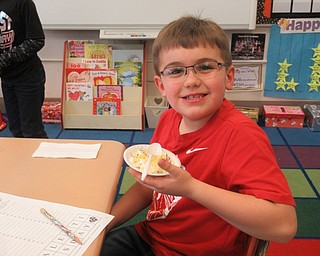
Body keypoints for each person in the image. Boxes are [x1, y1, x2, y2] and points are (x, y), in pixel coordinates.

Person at [101, 16, 297, 256]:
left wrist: (191, 188)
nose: (191, 81)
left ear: (229, 76)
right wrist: (105, 223)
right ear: (161, 85)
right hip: (153, 237)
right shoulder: (167, 119)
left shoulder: (241, 135)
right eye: (175, 71)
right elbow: (149, 186)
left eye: (205, 67)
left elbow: (284, 226)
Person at [0, 0, 47, 138]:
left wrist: (5, 59)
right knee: (16, 130)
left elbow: (36, 40)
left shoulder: (23, 3)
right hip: (7, 78)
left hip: (28, 76)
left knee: (32, 132)